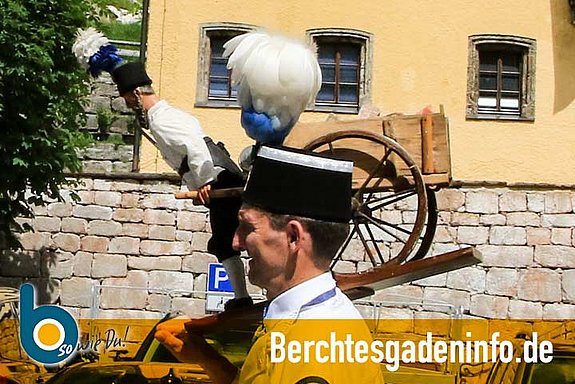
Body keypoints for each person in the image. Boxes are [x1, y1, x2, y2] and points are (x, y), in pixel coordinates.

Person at [154, 146, 385, 383]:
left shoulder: (306, 351)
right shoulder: (324, 321)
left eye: (248, 227)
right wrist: (209, 360)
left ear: (293, 237)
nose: (236, 242)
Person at [111, 62, 252, 311]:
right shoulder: (165, 115)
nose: (129, 107)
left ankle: (243, 300)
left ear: (136, 94)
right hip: (219, 175)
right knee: (228, 239)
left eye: (128, 101)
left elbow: (194, 146)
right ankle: (242, 298)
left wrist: (207, 181)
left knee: (226, 242)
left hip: (219, 177)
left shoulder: (162, 120)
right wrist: (198, 185)